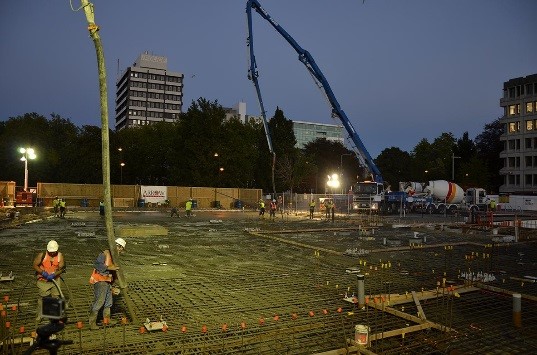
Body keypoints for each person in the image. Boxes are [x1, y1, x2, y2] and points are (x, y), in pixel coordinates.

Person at [88, 238, 126, 330]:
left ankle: (107, 319)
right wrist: (109, 267)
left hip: (107, 282)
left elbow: (114, 273)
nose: (121, 250)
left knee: (108, 302)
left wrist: (113, 286)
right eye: (121, 248)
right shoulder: (104, 254)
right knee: (99, 302)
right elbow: (97, 265)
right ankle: (92, 323)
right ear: (117, 246)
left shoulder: (115, 257)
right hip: (100, 281)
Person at [33, 240, 65, 323]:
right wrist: (42, 272)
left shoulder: (60, 256)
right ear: (47, 250)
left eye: (54, 252)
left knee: (56, 298)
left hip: (55, 281)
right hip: (43, 281)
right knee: (42, 298)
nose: (52, 253)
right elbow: (35, 265)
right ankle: (40, 315)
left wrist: (54, 275)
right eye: (51, 252)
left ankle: (55, 316)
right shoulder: (42, 255)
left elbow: (62, 269)